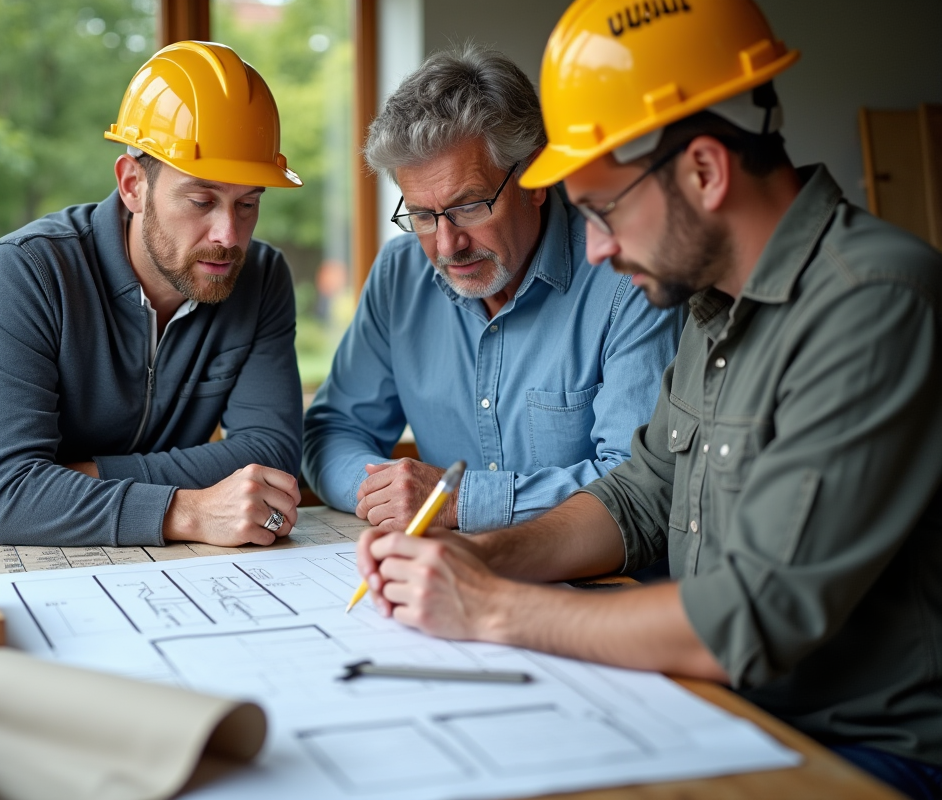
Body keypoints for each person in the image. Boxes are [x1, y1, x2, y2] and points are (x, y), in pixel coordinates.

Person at [356, 3, 942, 797]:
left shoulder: (875, 302)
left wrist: (493, 607)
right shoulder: (712, 304)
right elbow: (637, 497)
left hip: (861, 750)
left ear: (704, 171)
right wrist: (480, 555)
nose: (594, 248)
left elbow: (750, 616)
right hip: (719, 710)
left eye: (602, 211)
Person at [0, 42, 306, 549]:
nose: (229, 236)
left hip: (110, 547)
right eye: (200, 200)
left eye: (248, 204)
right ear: (132, 186)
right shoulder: (26, 270)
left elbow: (272, 456)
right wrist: (186, 510)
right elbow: (12, 500)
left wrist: (75, 478)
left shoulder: (260, 276)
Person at [303, 45, 683, 534]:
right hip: (452, 578)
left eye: (470, 206)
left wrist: (461, 502)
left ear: (535, 177)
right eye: (421, 215)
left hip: (605, 587)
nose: (447, 245)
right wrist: (386, 491)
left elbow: (637, 482)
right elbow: (333, 430)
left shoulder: (627, 274)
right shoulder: (399, 275)